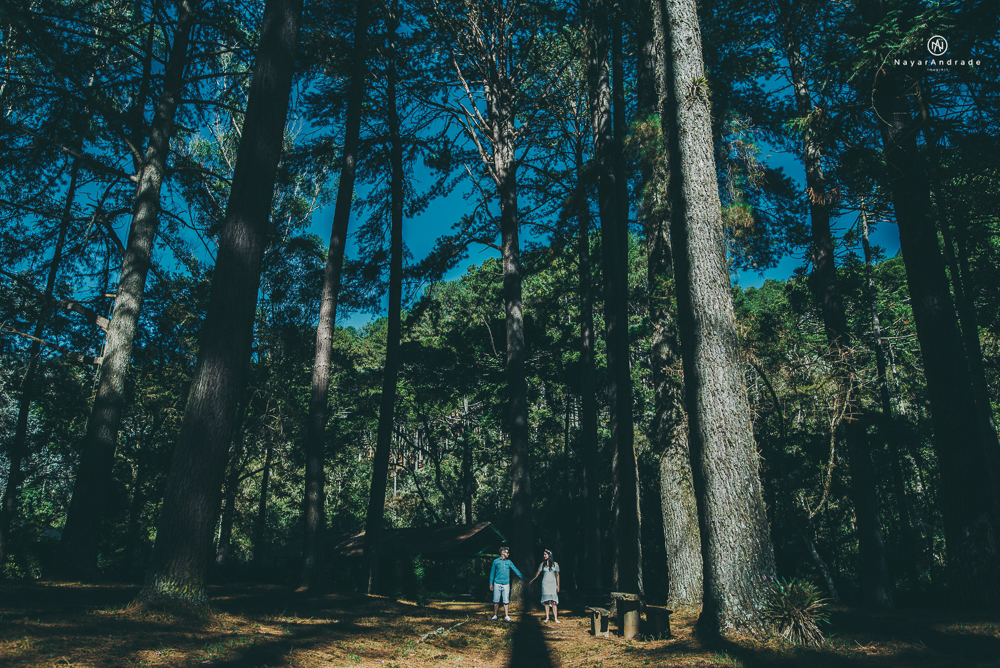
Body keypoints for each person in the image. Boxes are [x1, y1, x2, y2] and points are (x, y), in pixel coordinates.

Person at [489, 547, 523, 621]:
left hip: (506, 584)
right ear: (502, 553)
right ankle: (495, 615)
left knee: (506, 600)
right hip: (497, 583)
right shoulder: (495, 561)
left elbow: (515, 570)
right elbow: (492, 573)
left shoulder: (509, 562)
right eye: (507, 552)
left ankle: (506, 616)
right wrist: (490, 584)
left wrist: (523, 578)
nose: (508, 554)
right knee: (496, 600)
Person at [528, 549, 561, 622]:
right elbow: (537, 573)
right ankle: (547, 617)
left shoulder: (555, 564)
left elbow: (557, 575)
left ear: (549, 555)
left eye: (545, 554)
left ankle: (555, 618)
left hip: (553, 584)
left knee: (554, 602)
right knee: (546, 601)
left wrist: (558, 585)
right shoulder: (542, 564)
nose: (544, 556)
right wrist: (532, 580)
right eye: (544, 554)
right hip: (545, 584)